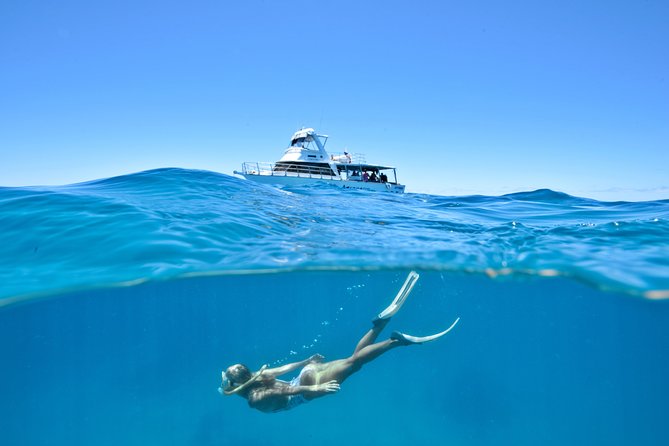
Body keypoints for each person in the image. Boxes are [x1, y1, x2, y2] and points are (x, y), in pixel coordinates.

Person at [219, 272, 460, 413]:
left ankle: (396, 342)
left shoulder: (254, 399)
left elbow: (290, 391)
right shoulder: (260, 376)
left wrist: (315, 389)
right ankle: (380, 324)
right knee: (351, 360)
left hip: (304, 389)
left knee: (355, 363)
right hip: (305, 375)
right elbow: (283, 370)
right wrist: (307, 361)